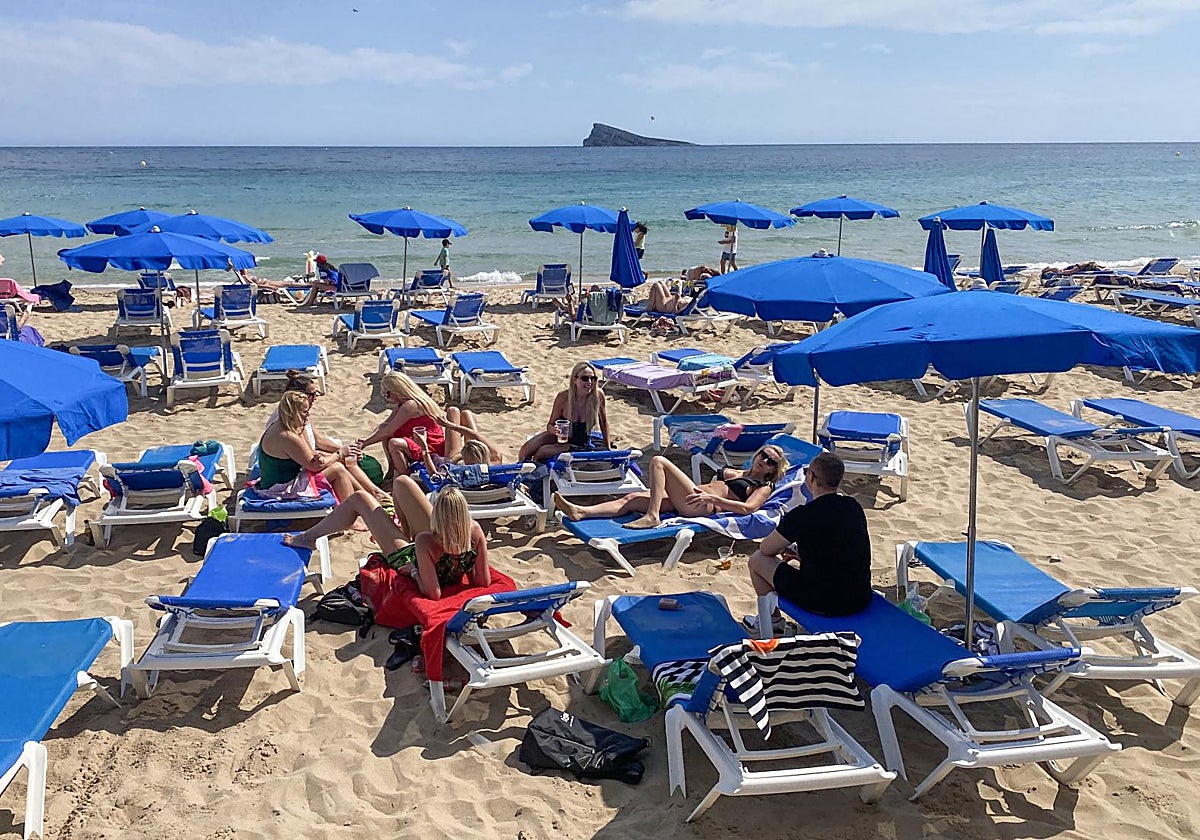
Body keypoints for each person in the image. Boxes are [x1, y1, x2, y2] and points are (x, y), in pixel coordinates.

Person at [744, 452, 873, 636]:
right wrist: (801, 553)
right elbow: (840, 546)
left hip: (822, 601)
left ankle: (773, 621)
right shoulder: (853, 507)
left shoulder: (802, 515)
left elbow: (765, 548)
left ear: (811, 476)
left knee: (758, 560)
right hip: (860, 597)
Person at [286, 484, 489, 601]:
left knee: (360, 498)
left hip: (414, 558)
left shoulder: (426, 540)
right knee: (402, 482)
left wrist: (413, 572)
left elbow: (433, 593)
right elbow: (483, 581)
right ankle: (402, 531)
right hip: (443, 550)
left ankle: (307, 537)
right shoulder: (475, 531)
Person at [555, 443, 788, 530]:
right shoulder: (736, 471)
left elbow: (748, 509)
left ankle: (653, 515)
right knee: (633, 498)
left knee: (659, 461)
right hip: (691, 498)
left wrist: (714, 500)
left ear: (772, 470)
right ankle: (581, 511)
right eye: (763, 455)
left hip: (702, 506)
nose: (764, 461)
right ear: (757, 453)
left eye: (771, 462)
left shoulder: (763, 486)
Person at [268, 373, 390, 501]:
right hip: (290, 480)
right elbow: (311, 459)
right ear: (298, 396)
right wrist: (339, 454)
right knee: (339, 467)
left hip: (301, 465)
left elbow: (319, 440)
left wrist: (347, 450)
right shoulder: (290, 424)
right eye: (312, 394)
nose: (315, 398)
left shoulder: (298, 414)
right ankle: (365, 499)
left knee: (347, 460)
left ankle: (372, 494)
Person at [257, 391, 359, 502]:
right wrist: (339, 454)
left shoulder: (284, 425)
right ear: (294, 413)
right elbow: (314, 466)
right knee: (337, 469)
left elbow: (309, 454)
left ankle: (354, 502)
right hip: (281, 488)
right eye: (305, 412)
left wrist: (321, 457)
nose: (308, 415)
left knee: (334, 463)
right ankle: (349, 511)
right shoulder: (287, 436)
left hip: (280, 481)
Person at [358, 371, 448, 477]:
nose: (386, 398)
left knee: (394, 442)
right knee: (386, 436)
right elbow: (384, 425)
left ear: (396, 391)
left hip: (429, 444)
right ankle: (392, 470)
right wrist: (364, 440)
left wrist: (364, 444)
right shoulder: (402, 404)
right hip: (418, 439)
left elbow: (388, 430)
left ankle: (404, 476)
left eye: (387, 394)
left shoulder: (411, 405)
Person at [517, 361, 610, 463]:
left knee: (541, 452)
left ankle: (536, 470)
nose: (589, 382)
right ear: (575, 379)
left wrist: (608, 448)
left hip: (579, 443)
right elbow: (549, 425)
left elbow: (604, 422)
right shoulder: (564, 397)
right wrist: (554, 430)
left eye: (593, 378)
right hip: (561, 438)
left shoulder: (597, 396)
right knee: (525, 451)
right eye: (585, 378)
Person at [414, 406, 505, 474]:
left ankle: (460, 416)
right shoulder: (496, 461)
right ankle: (463, 416)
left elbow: (434, 474)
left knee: (453, 411)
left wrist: (449, 425)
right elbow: (476, 436)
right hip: (472, 466)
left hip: (452, 459)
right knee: (465, 413)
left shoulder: (457, 470)